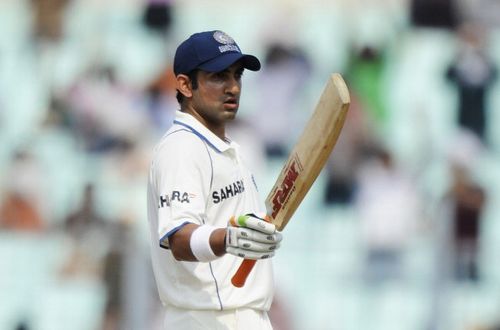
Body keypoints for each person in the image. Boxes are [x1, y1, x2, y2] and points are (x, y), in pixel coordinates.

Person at [147, 30, 283, 330]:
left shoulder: (226, 148)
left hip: (238, 316)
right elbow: (179, 238)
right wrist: (230, 239)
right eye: (219, 76)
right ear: (185, 85)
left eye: (237, 75)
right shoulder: (181, 148)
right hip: (208, 318)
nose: (233, 87)